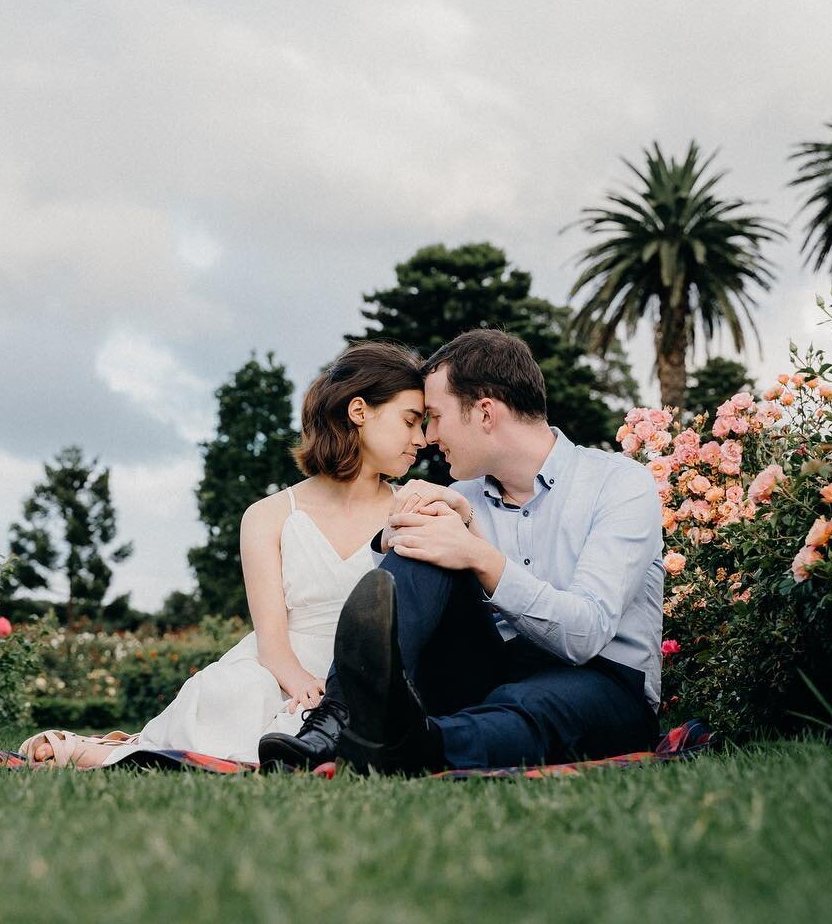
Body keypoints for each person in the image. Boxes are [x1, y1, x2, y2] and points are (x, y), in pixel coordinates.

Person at [258, 329, 664, 773]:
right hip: (489, 674)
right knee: (428, 540)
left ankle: (411, 746)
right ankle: (337, 721)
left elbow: (585, 635)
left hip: (602, 684)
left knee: (531, 703)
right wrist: (399, 537)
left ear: (485, 413)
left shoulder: (620, 484)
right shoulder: (460, 496)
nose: (428, 436)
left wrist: (478, 554)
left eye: (434, 416)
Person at [20, 342, 426, 768]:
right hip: (282, 668)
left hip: (370, 674)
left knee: (322, 727)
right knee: (233, 693)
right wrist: (304, 686)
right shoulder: (267, 516)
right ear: (359, 411)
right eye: (411, 421)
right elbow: (270, 641)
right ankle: (122, 750)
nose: (421, 439)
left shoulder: (412, 507)